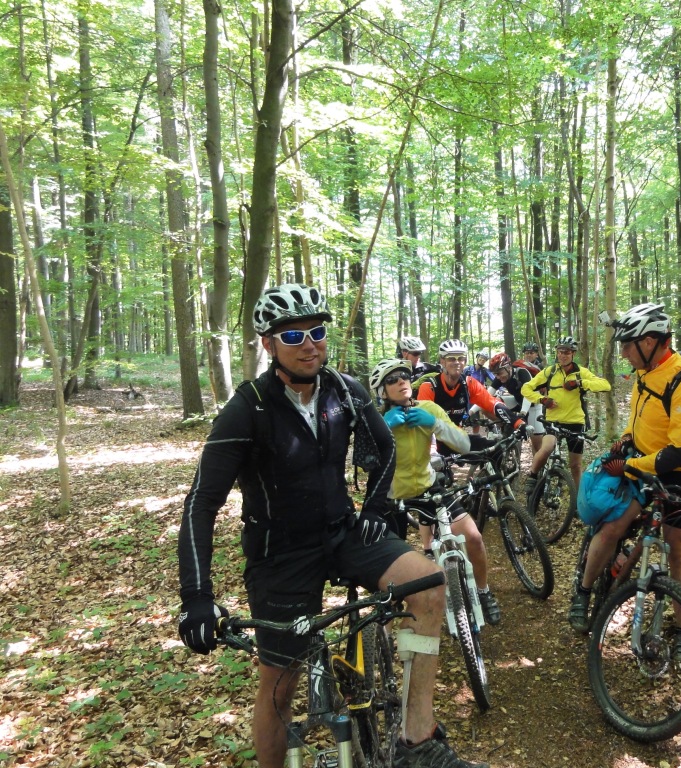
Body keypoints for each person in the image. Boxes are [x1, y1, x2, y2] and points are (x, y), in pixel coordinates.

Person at [177, 283, 486, 768]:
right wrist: (196, 597)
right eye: (292, 335)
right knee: (280, 685)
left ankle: (416, 741)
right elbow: (201, 503)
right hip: (280, 555)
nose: (308, 344)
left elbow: (384, 447)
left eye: (316, 332)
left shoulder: (344, 391)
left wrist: (375, 511)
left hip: (344, 533)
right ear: (268, 343)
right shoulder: (248, 408)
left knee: (429, 586)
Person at [567, 305, 681, 658]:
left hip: (676, 475)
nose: (623, 352)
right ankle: (584, 591)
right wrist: (627, 439)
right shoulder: (646, 372)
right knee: (612, 529)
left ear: (649, 341)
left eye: (627, 345)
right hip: (639, 465)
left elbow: (680, 451)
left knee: (678, 552)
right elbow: (640, 418)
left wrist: (630, 466)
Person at [370, 358, 502, 625]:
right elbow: (366, 461)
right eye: (392, 380)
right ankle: (386, 621)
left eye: (404, 376)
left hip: (428, 486)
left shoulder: (428, 408)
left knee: (473, 537)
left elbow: (463, 444)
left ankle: (483, 591)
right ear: (382, 391)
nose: (401, 382)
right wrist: (382, 428)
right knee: (386, 567)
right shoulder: (375, 419)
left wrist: (434, 423)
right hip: (391, 496)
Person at [520, 336, 610, 493]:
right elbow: (526, 388)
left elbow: (605, 385)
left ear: (573, 353)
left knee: (575, 465)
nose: (562, 355)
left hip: (575, 422)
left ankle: (580, 499)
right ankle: (533, 475)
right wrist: (542, 400)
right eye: (560, 352)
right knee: (546, 448)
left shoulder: (581, 372)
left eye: (567, 352)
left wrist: (579, 383)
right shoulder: (550, 371)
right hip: (553, 421)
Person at [417, 338, 527, 452]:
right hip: (433, 442)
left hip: (457, 439)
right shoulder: (429, 387)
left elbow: (492, 403)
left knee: (498, 450)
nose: (457, 362)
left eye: (461, 358)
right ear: (442, 361)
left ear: (465, 361)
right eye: (451, 358)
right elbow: (422, 423)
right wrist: (432, 450)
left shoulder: (468, 383)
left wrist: (518, 422)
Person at [487, 352, 544, 455]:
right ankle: (504, 424)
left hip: (533, 406)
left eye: (499, 373)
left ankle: (537, 465)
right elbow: (485, 396)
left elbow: (528, 395)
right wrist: (471, 412)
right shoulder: (500, 376)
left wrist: (523, 413)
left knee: (537, 446)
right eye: (495, 374)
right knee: (495, 401)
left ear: (508, 367)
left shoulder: (522, 372)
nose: (498, 377)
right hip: (518, 402)